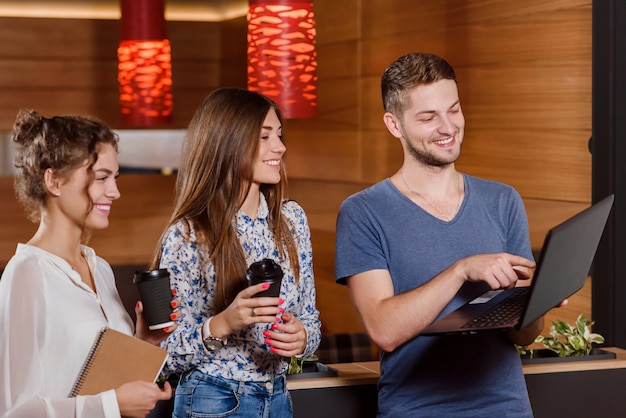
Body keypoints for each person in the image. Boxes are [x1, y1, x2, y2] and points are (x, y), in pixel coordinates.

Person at [335, 52, 552, 417]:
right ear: (394, 125)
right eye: (428, 117)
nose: (448, 127)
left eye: (453, 109)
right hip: (417, 409)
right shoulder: (363, 212)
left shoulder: (503, 200)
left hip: (506, 407)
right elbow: (383, 329)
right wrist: (460, 271)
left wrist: (537, 301)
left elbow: (525, 335)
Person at [151, 88, 321, 418]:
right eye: (265, 136)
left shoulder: (292, 220)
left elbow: (311, 320)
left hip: (279, 399)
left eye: (280, 135)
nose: (281, 147)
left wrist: (302, 338)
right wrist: (223, 323)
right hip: (213, 400)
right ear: (228, 143)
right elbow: (162, 354)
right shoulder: (188, 234)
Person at [0, 110, 176, 418]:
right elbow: (13, 410)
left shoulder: (100, 268)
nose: (115, 191)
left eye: (115, 177)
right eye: (101, 178)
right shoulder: (27, 273)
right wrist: (112, 405)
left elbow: (100, 378)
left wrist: (144, 341)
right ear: (54, 180)